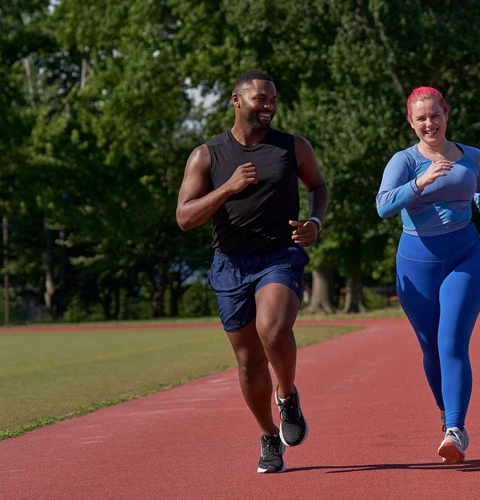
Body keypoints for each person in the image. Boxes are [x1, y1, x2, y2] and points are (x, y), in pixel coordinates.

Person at [176, 70, 328, 474]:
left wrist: (315, 222)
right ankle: (267, 436)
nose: (269, 105)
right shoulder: (206, 155)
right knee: (249, 362)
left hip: (279, 256)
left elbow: (318, 186)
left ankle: (288, 395)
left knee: (273, 329)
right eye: (261, 98)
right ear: (236, 100)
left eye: (273, 99)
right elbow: (184, 217)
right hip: (230, 265)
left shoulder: (292, 147)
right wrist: (226, 188)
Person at [376, 86, 480, 464]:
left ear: (447, 115)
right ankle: (447, 415)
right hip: (417, 262)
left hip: (466, 254)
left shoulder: (472, 156)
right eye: (421, 118)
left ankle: (456, 430)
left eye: (435, 115)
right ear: (411, 123)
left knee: (451, 343)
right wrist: (421, 182)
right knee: (430, 347)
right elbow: (383, 206)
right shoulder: (405, 161)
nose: (430, 123)